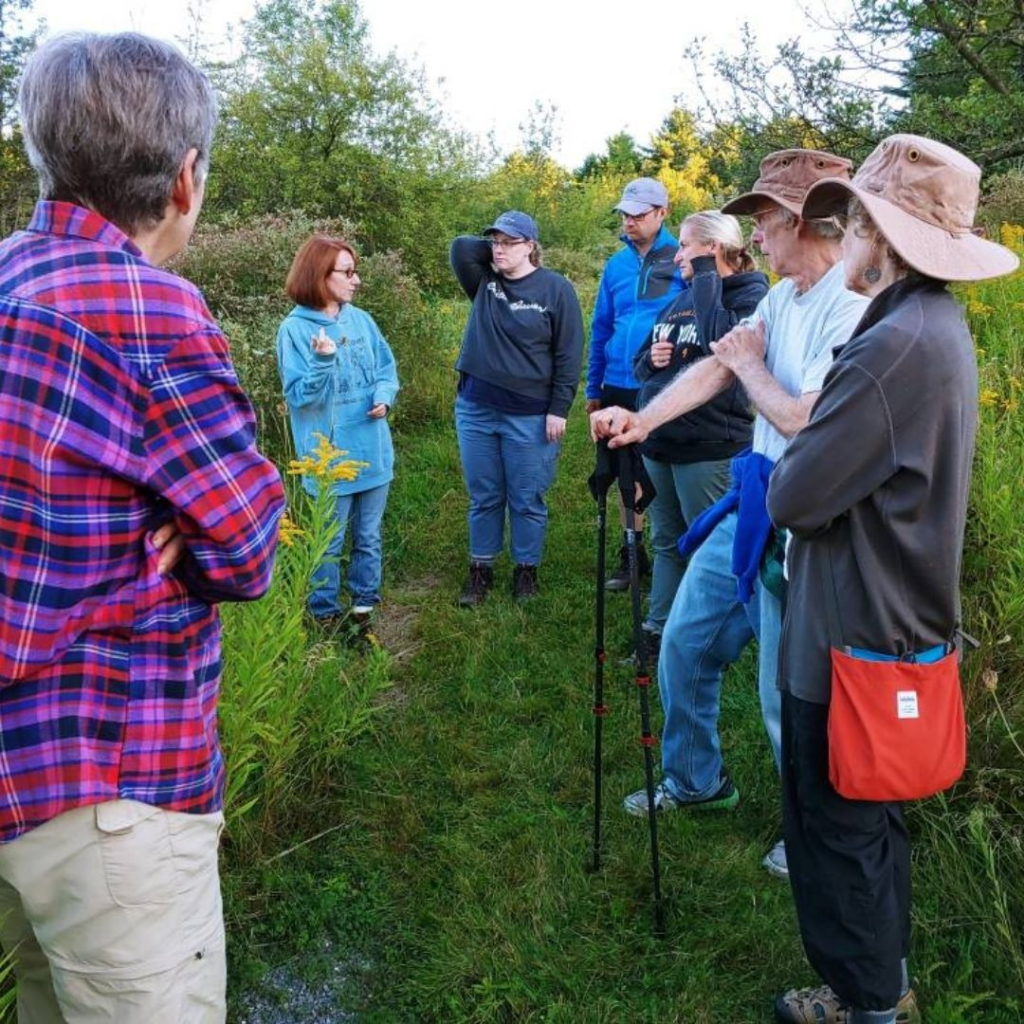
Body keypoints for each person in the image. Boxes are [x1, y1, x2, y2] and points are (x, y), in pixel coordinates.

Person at [0, 32, 285, 1022]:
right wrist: (160, 564)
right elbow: (245, 543)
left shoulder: (7, 278)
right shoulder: (149, 310)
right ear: (186, 177)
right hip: (110, 774)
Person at [767, 135, 1017, 1024]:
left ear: (879, 228)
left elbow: (796, 496)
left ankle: (867, 1004)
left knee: (836, 831)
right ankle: (883, 986)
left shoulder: (894, 345)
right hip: (890, 624)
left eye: (859, 220)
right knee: (872, 825)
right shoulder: (933, 325)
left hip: (849, 634)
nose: (848, 238)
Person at [591, 150, 869, 881]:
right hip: (756, 502)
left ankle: (808, 831)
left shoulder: (852, 302)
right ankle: (695, 781)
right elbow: (718, 363)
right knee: (683, 641)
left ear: (798, 220)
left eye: (764, 220)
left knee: (787, 690)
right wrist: (645, 422)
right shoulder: (784, 297)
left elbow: (809, 418)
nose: (757, 235)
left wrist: (749, 368)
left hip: (810, 518)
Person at [632, 211, 769, 661]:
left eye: (687, 245)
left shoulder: (752, 295)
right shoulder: (682, 297)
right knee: (666, 540)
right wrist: (653, 358)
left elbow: (720, 346)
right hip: (660, 444)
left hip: (708, 448)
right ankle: (659, 631)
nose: (678, 254)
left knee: (711, 549)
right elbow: (638, 366)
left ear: (713, 249)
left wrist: (709, 275)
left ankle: (722, 639)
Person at [450, 211, 584, 605]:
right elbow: (460, 247)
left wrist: (559, 408)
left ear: (531, 246)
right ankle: (481, 569)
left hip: (530, 413)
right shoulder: (484, 283)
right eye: (495, 242)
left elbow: (569, 354)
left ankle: (526, 570)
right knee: (484, 494)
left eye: (510, 242)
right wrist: (498, 252)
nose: (499, 249)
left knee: (526, 496)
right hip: (476, 408)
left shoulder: (555, 289)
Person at [276, 234, 399, 640]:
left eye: (354, 270)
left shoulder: (360, 320)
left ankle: (364, 608)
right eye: (347, 272)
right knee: (328, 542)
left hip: (373, 452)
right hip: (327, 463)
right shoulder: (294, 330)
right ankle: (324, 614)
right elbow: (300, 397)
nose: (356, 279)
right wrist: (323, 360)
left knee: (368, 537)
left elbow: (385, 368)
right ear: (319, 275)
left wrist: (384, 396)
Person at [586, 177, 686, 590]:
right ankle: (632, 550)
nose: (629, 221)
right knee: (623, 468)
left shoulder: (683, 258)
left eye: (639, 214)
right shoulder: (616, 264)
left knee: (656, 469)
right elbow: (602, 325)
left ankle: (675, 549)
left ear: (662, 213)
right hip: (616, 381)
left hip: (662, 383)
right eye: (625, 214)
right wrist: (594, 386)